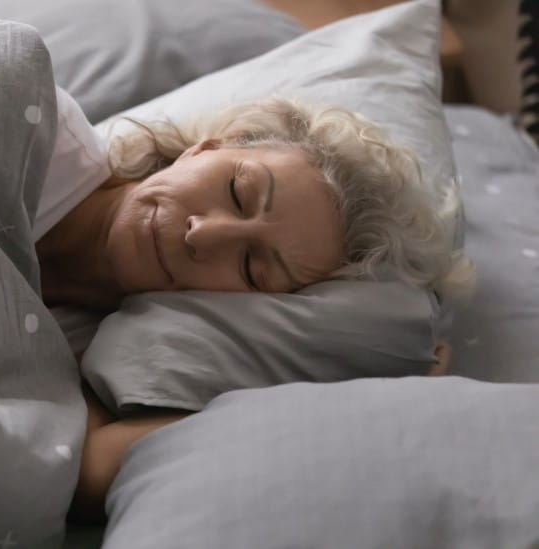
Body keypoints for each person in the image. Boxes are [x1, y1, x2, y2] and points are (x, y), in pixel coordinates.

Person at [35, 92, 473, 521]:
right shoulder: (39, 136)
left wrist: (386, 400)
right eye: (237, 191)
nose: (202, 235)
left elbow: (80, 469)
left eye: (251, 267)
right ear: (206, 148)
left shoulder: (85, 349)